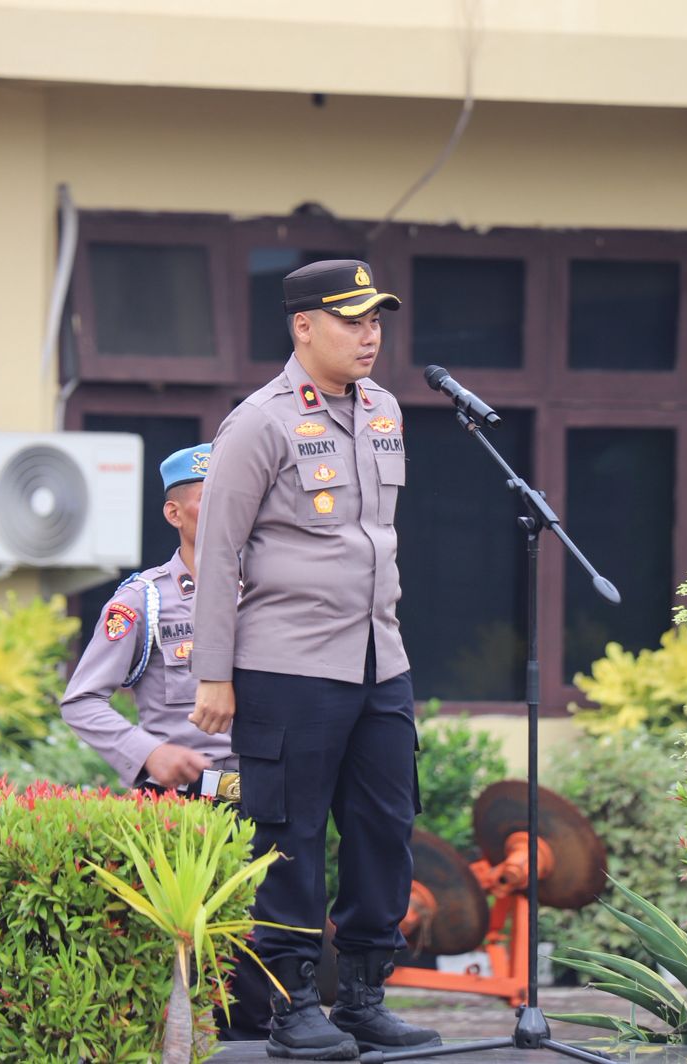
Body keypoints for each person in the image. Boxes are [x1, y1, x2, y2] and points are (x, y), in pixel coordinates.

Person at [189, 260, 439, 1059]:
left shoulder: (383, 409)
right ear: (303, 326)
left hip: (379, 659)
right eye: (351, 320)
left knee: (384, 826)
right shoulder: (258, 423)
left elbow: (376, 539)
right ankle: (292, 1006)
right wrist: (214, 674)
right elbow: (218, 552)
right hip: (287, 666)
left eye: (376, 320)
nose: (370, 335)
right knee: (289, 835)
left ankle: (363, 997)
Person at [59, 443, 269, 1040]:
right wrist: (149, 753)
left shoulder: (271, 591)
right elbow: (81, 700)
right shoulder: (144, 601)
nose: (226, 509)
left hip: (266, 799)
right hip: (186, 804)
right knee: (180, 969)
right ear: (174, 513)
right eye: (208, 500)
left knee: (262, 969)